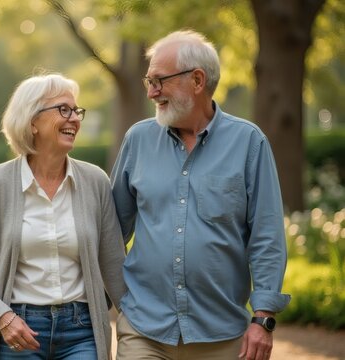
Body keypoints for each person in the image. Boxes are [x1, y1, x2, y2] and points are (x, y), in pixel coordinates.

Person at [110, 30, 291, 360]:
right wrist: (117, 299)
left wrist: (263, 319)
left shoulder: (249, 143)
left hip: (221, 336)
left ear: (196, 80)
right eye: (147, 81)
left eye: (159, 81)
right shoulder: (138, 140)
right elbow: (112, 230)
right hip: (144, 329)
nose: (152, 92)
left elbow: (266, 237)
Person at [0, 73, 127, 360]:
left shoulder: (95, 181)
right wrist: (1, 317)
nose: (74, 118)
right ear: (32, 121)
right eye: (63, 109)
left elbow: (114, 266)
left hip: (81, 329)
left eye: (76, 111)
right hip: (18, 329)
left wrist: (147, 330)